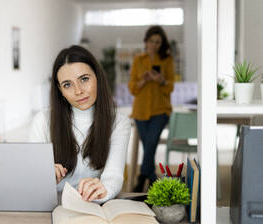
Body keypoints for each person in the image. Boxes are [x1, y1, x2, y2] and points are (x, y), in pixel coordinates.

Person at [29, 45, 131, 203]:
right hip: (50, 206)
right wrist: (43, 176)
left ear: (97, 77)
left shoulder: (119, 123)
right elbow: (31, 178)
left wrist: (104, 190)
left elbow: (113, 177)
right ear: (60, 90)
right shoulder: (42, 120)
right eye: (67, 85)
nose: (78, 91)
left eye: (84, 79)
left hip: (93, 205)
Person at [128, 26, 175, 192]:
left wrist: (161, 80)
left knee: (151, 143)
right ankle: (152, 178)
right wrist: (144, 80)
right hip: (140, 111)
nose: (154, 45)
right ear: (146, 41)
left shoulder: (167, 60)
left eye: (158, 42)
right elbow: (132, 88)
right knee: (149, 146)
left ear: (161, 44)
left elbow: (170, 87)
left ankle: (142, 178)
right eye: (152, 41)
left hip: (160, 111)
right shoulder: (138, 60)